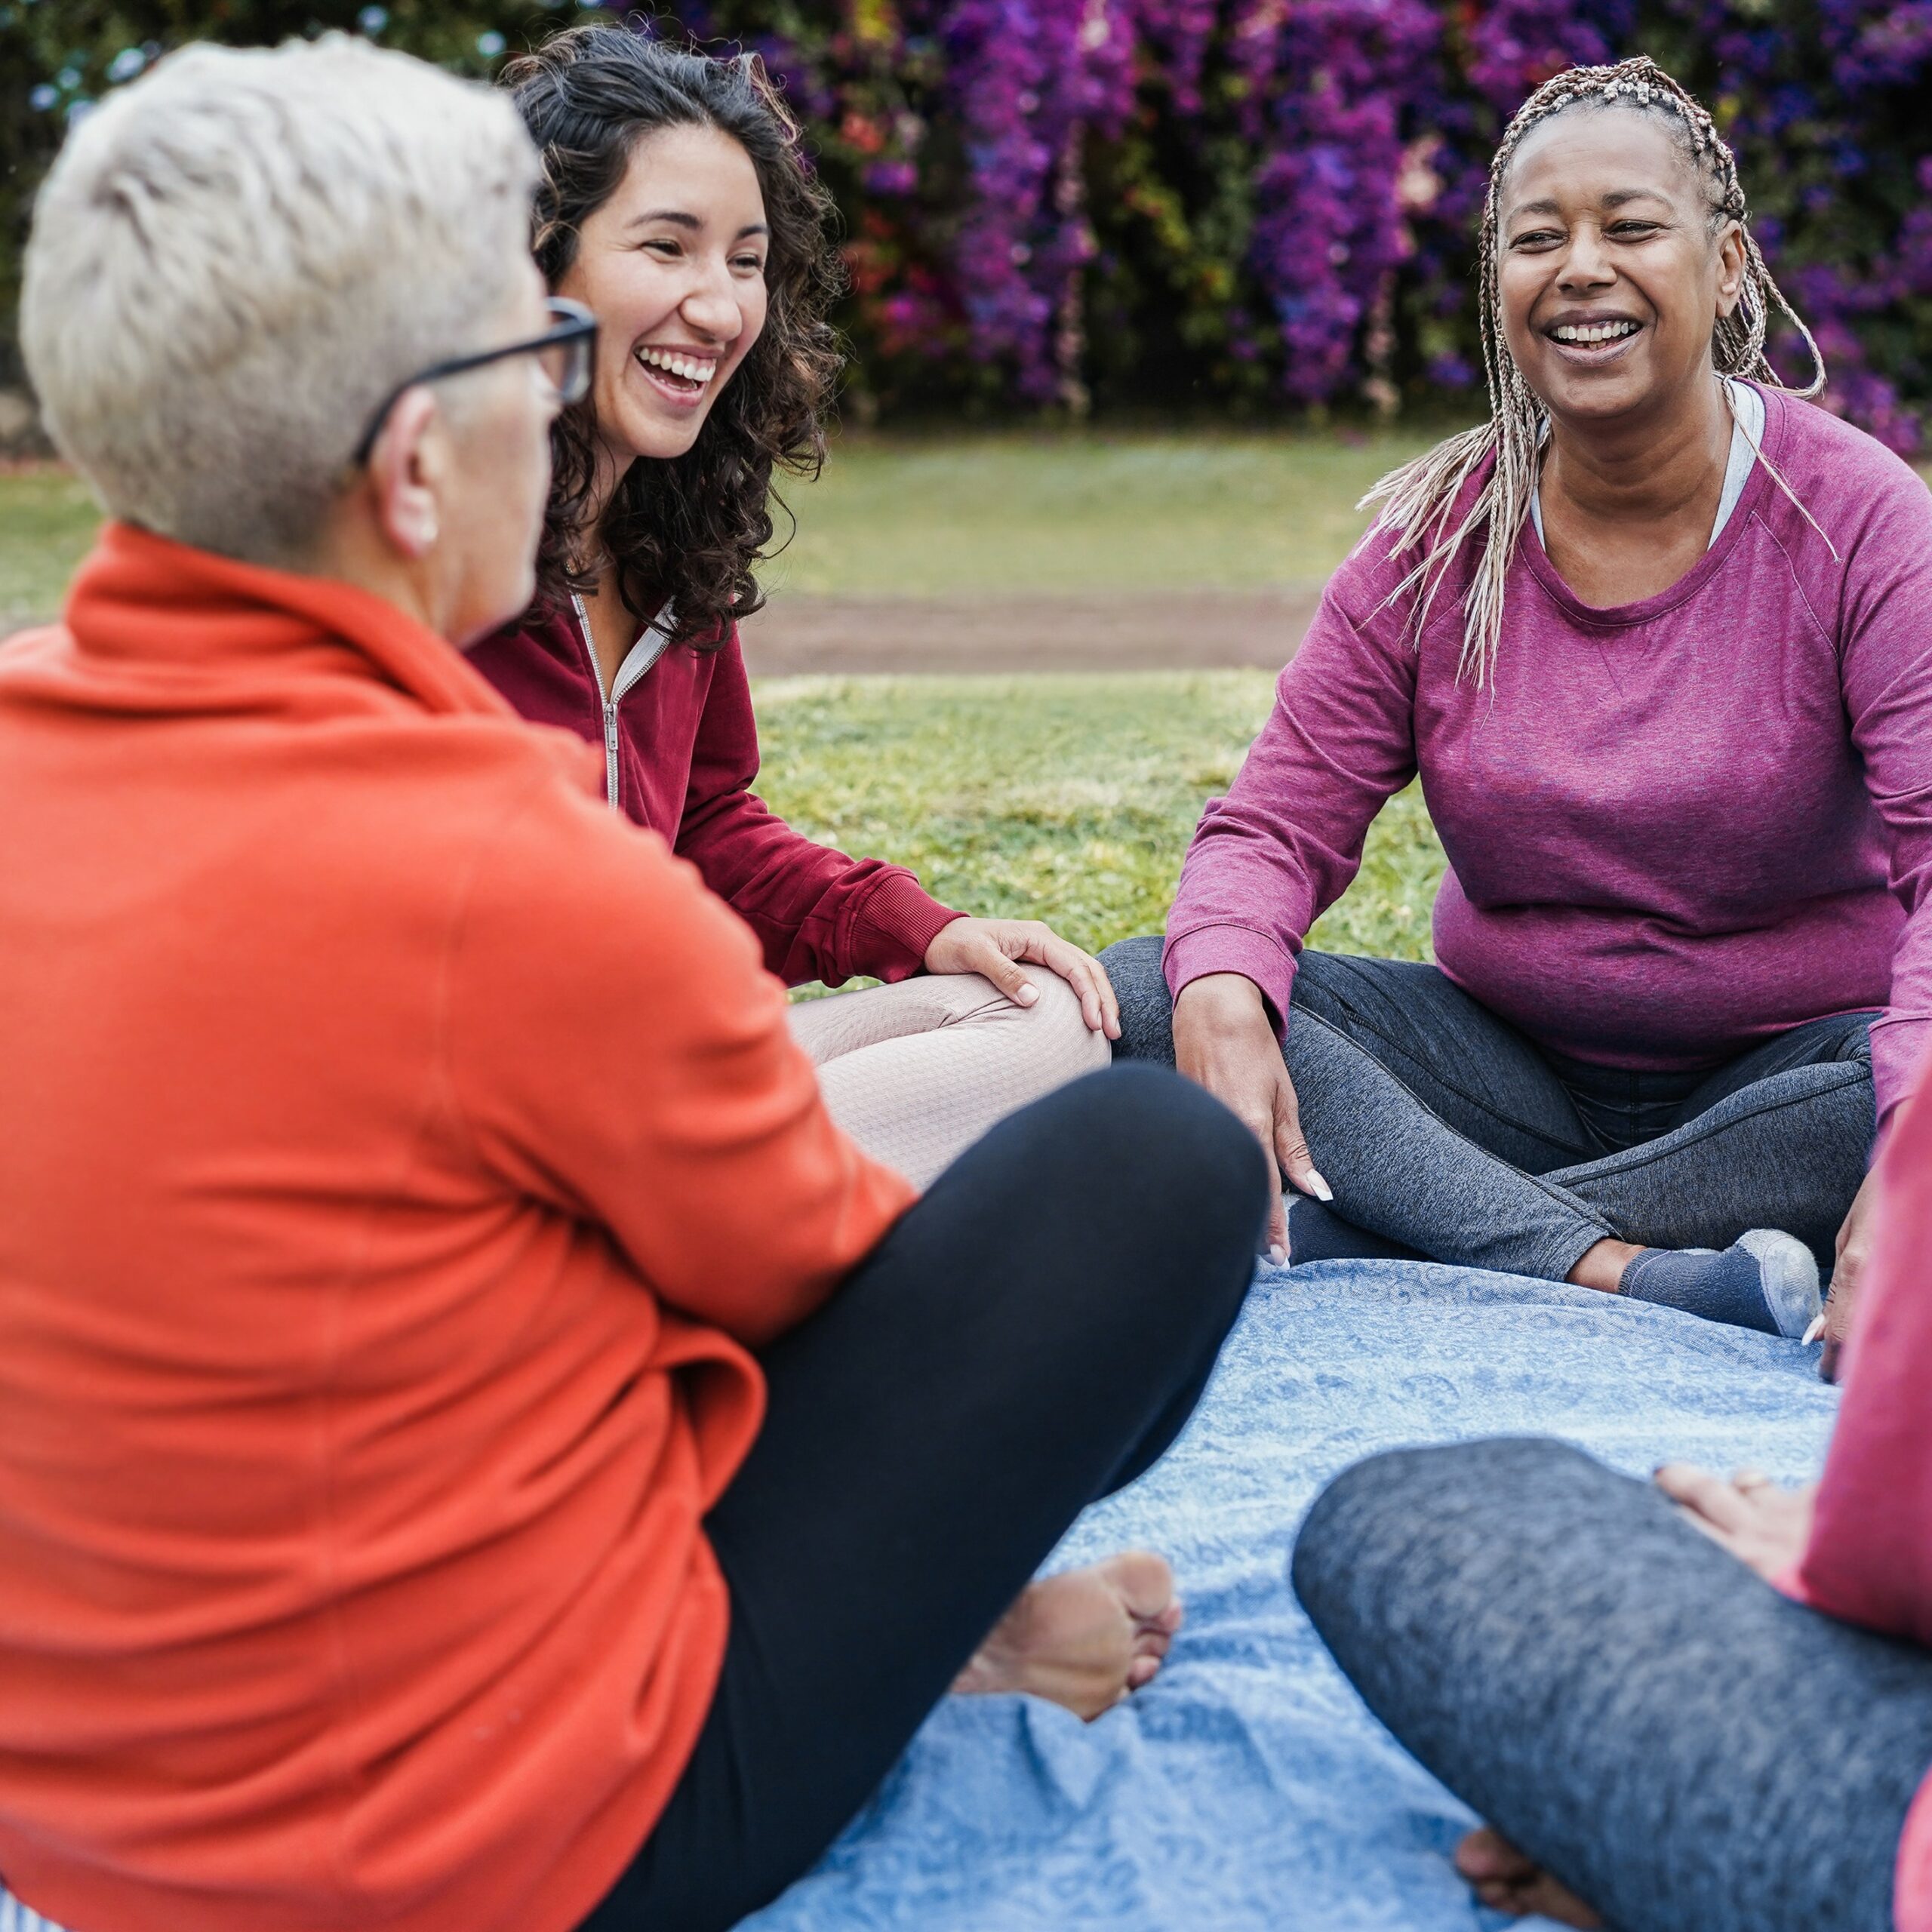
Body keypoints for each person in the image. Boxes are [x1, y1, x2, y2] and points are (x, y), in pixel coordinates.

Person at [0, 38, 1268, 1932]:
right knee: (1153, 1167)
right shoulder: (515, 872)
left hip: (85, 1825)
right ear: (422, 459)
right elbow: (823, 1315)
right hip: (494, 1844)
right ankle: (967, 1632)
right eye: (534, 348)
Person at [1104, 56, 1932, 1358]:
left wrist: (1913, 1155)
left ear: (1725, 269)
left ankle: (1396, 1233)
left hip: (1786, 1081)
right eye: (1536, 238)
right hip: (1505, 1073)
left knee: (1894, 1094)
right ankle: (1633, 1276)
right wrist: (1218, 992)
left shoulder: (1862, 521)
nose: (1581, 268)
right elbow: (1274, 827)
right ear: (1501, 287)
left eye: (1630, 227)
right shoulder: (1440, 541)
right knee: (1162, 985)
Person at [466, 26, 1113, 1191]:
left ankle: (692, 1220)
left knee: (1036, 1020)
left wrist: (913, 928)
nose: (717, 310)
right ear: (534, 262)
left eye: (747, 261)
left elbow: (706, 830)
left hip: (649, 1088)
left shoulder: (670, 544)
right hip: (470, 1111)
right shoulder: (427, 545)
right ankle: (671, 1228)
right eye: (667, 247)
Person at [1291, 1038, 1932, 1932]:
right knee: (1173, 987)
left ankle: (1429, 1220)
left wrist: (1873, 1556)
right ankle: (1618, 1260)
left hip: (1893, 1837)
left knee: (1415, 1517)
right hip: (1500, 1060)